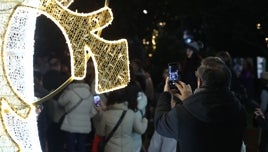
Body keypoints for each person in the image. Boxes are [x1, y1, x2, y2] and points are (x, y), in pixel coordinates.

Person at [154, 56, 247, 152]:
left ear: (199, 81)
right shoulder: (239, 111)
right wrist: (190, 101)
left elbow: (160, 123)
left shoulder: (183, 113)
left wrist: (166, 94)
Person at [97, 85, 148, 152]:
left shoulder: (106, 115)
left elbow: (100, 133)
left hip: (111, 149)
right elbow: (140, 130)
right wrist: (145, 120)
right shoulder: (130, 113)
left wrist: (100, 112)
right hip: (127, 148)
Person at [57, 79, 97, 152]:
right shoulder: (90, 95)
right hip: (84, 124)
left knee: (70, 145)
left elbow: (60, 102)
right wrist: (86, 117)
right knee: (82, 145)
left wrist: (65, 91)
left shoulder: (70, 92)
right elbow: (94, 111)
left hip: (70, 123)